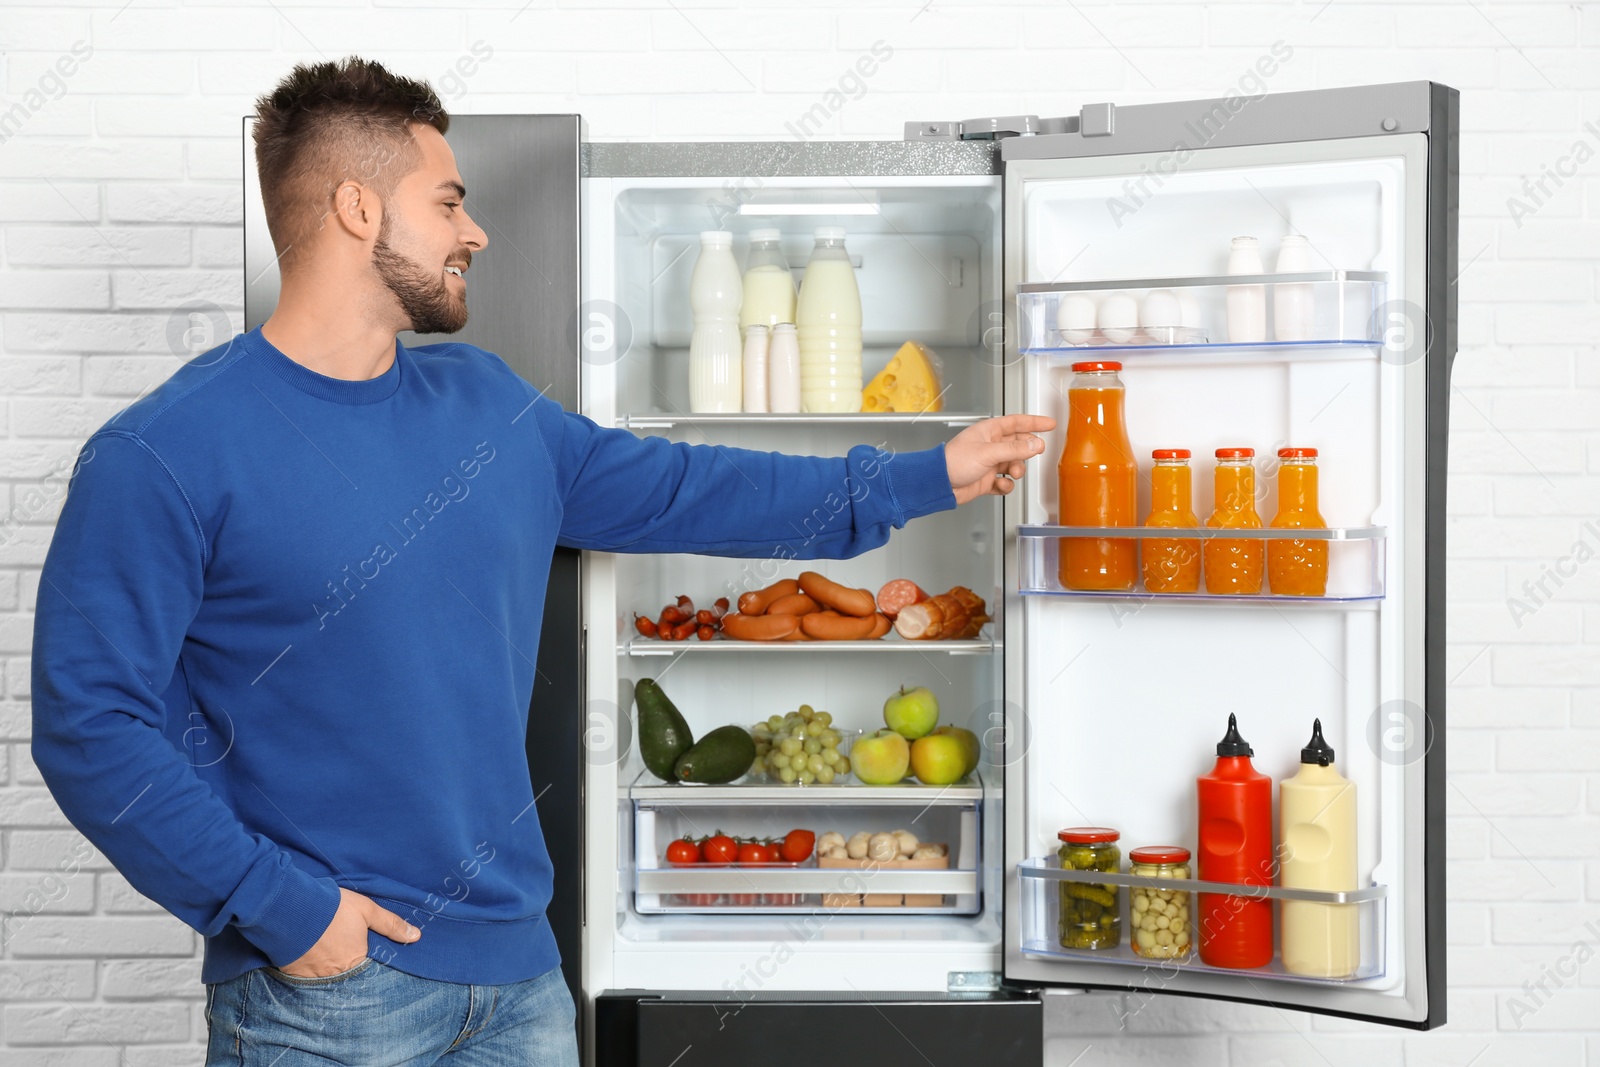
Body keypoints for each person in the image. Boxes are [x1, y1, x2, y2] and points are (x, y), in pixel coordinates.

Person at [30, 57, 1051, 1066]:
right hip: (326, 999)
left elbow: (686, 486)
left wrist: (924, 476)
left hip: (518, 983)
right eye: (446, 202)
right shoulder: (164, 452)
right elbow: (90, 726)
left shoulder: (487, 405)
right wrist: (282, 908)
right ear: (355, 207)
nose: (473, 230)